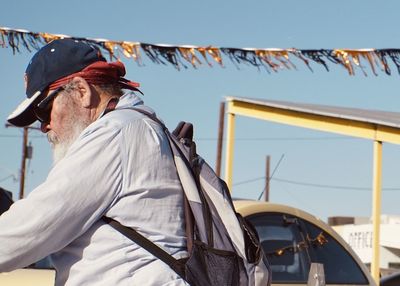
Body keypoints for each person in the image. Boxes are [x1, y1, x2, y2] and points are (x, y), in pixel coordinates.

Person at [0, 38, 189, 285]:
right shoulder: (136, 127)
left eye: (43, 110)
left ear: (81, 91)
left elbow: (33, 224)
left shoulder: (115, 132)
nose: (44, 126)